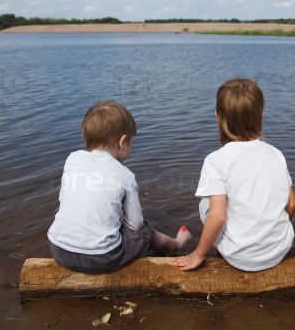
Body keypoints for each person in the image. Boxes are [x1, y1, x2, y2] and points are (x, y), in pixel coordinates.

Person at [47, 100, 192, 274]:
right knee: (144, 231)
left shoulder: (73, 158)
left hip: (58, 249)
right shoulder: (124, 175)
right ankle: (177, 243)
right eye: (131, 142)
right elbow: (135, 224)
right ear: (122, 142)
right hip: (101, 258)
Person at [173, 78, 295, 272]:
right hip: (279, 250)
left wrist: (198, 253)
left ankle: (216, 246)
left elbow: (218, 216)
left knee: (206, 203)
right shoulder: (276, 154)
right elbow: (291, 204)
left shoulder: (216, 160)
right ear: (261, 116)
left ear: (217, 117)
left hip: (240, 257)